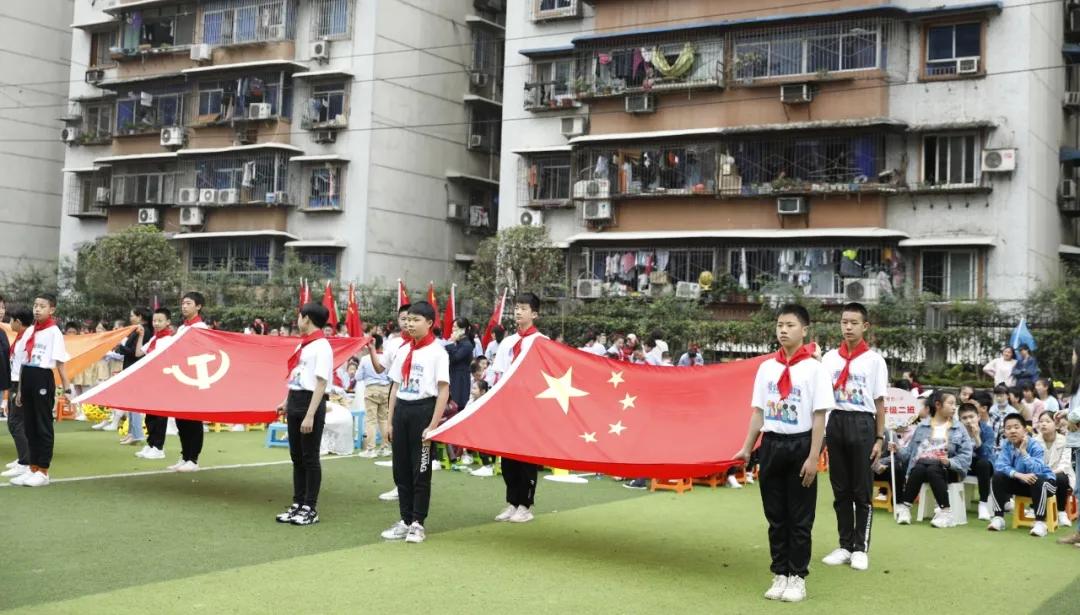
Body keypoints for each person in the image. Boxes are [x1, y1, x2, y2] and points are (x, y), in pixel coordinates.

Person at [734, 304, 832, 604]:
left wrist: (813, 457)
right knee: (775, 516)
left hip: (801, 445)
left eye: (790, 325)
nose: (783, 330)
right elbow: (759, 412)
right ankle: (779, 573)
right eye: (779, 325)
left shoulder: (815, 369)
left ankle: (797, 577)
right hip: (772, 445)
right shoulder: (767, 368)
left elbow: (819, 416)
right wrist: (747, 447)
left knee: (800, 517)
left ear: (804, 330)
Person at [820, 302, 888, 572]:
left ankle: (861, 548)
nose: (848, 327)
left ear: (865, 326)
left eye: (854, 323)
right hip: (836, 420)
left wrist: (879, 437)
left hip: (862, 423)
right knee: (840, 490)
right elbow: (822, 396)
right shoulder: (829, 358)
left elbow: (880, 401)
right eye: (844, 322)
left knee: (861, 490)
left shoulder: (874, 361)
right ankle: (844, 545)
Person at [380, 301, 450, 544]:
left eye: (415, 320)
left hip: (423, 411)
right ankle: (405, 519)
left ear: (429, 323)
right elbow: (395, 386)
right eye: (408, 319)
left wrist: (433, 425)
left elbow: (443, 390)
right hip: (402, 411)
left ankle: (418, 522)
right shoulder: (403, 350)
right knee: (400, 470)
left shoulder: (438, 352)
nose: (409, 324)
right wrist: (389, 422)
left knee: (420, 470)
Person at [274, 302, 333, 526]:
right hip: (296, 401)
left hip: (311, 403)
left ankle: (310, 507)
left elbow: (321, 383)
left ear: (306, 318)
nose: (297, 320)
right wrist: (286, 402)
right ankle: (297, 503)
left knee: (310, 457)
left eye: (299, 316)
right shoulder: (304, 345)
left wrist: (310, 415)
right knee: (296, 457)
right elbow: (297, 377)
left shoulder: (322, 346)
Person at [491, 292, 547, 524]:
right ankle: (512, 502)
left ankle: (525, 505)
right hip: (508, 406)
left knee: (525, 458)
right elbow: (498, 374)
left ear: (534, 314)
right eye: (516, 308)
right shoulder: (507, 342)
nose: (518, 312)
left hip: (530, 408)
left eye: (523, 308)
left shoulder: (541, 342)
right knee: (508, 458)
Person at [10, 293, 73, 487]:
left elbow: (60, 362)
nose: (37, 309)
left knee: (42, 425)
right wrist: (20, 390)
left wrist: (67, 388)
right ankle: (33, 468)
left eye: (42, 306)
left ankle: (43, 471)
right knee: (29, 426)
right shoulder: (30, 331)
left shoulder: (54, 332)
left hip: (42, 378)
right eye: (35, 305)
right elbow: (23, 361)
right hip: (27, 377)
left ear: (52, 309)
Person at [893, 391, 972, 528]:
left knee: (931, 468)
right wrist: (897, 449)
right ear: (938, 405)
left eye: (955, 404)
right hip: (923, 468)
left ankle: (945, 512)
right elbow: (909, 453)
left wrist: (949, 462)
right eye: (951, 403)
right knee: (919, 467)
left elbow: (966, 455)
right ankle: (906, 509)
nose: (954, 407)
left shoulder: (959, 428)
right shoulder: (922, 426)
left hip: (949, 469)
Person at [988, 413, 1056, 536]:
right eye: (1008, 428)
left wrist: (1024, 452)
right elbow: (1001, 465)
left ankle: (1040, 522)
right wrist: (1019, 475)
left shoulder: (1035, 445)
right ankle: (998, 518)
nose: (1012, 431)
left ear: (1024, 430)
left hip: (1046, 485)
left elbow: (1038, 469)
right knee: (997, 476)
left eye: (1016, 427)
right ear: (1005, 432)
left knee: (1037, 479)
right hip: (1022, 483)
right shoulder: (1006, 445)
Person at [170, 291, 209, 473]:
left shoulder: (201, 327)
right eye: (183, 303)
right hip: (181, 377)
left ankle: (193, 459)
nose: (184, 306)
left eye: (188, 303)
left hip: (195, 378)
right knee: (181, 420)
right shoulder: (182, 328)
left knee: (193, 420)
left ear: (198, 306)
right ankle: (185, 456)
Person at [135, 308, 173, 460]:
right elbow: (138, 353)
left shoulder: (169, 340)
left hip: (162, 382)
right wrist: (141, 335)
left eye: (160, 321)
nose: (156, 323)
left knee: (160, 416)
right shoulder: (154, 339)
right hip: (151, 381)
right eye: (154, 321)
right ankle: (151, 444)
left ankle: (158, 447)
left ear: (168, 322)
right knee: (150, 416)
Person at [113, 307, 152, 446]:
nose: (130, 318)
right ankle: (132, 432)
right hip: (130, 367)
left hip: (136, 368)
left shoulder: (144, 331)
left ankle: (137, 433)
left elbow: (135, 352)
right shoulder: (138, 330)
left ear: (139, 316)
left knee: (133, 403)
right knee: (130, 403)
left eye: (132, 315)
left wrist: (120, 346)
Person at [1, 308, 33, 481]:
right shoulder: (22, 336)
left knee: (16, 423)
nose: (9, 323)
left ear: (18, 322)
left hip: (20, 383)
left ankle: (25, 462)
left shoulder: (27, 337)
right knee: (15, 422)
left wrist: (20, 389)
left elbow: (25, 364)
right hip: (16, 382)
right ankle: (23, 457)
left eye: (11, 320)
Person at [1035, 412, 1074, 528]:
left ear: (1056, 425)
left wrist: (1050, 473)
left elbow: (1065, 464)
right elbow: (1033, 462)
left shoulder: (1065, 441)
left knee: (1061, 478)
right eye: (1041, 421)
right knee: (1035, 478)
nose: (1043, 424)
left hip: (1059, 473)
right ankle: (1034, 508)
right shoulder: (1034, 441)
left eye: (1047, 421)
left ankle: (1061, 512)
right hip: (1040, 473)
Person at [958, 402, 996, 520]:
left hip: (982, 465)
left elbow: (986, 455)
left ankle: (983, 504)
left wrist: (977, 437)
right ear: (960, 420)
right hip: (964, 464)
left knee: (983, 464)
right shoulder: (957, 431)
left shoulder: (987, 430)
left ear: (978, 417)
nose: (968, 421)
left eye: (971, 417)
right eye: (964, 418)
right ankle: (944, 504)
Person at [357, 335, 391, 459]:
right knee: (384, 419)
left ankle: (370, 449)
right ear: (381, 344)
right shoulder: (386, 357)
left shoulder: (365, 359)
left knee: (371, 420)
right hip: (386, 389)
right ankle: (385, 447)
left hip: (371, 389)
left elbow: (358, 377)